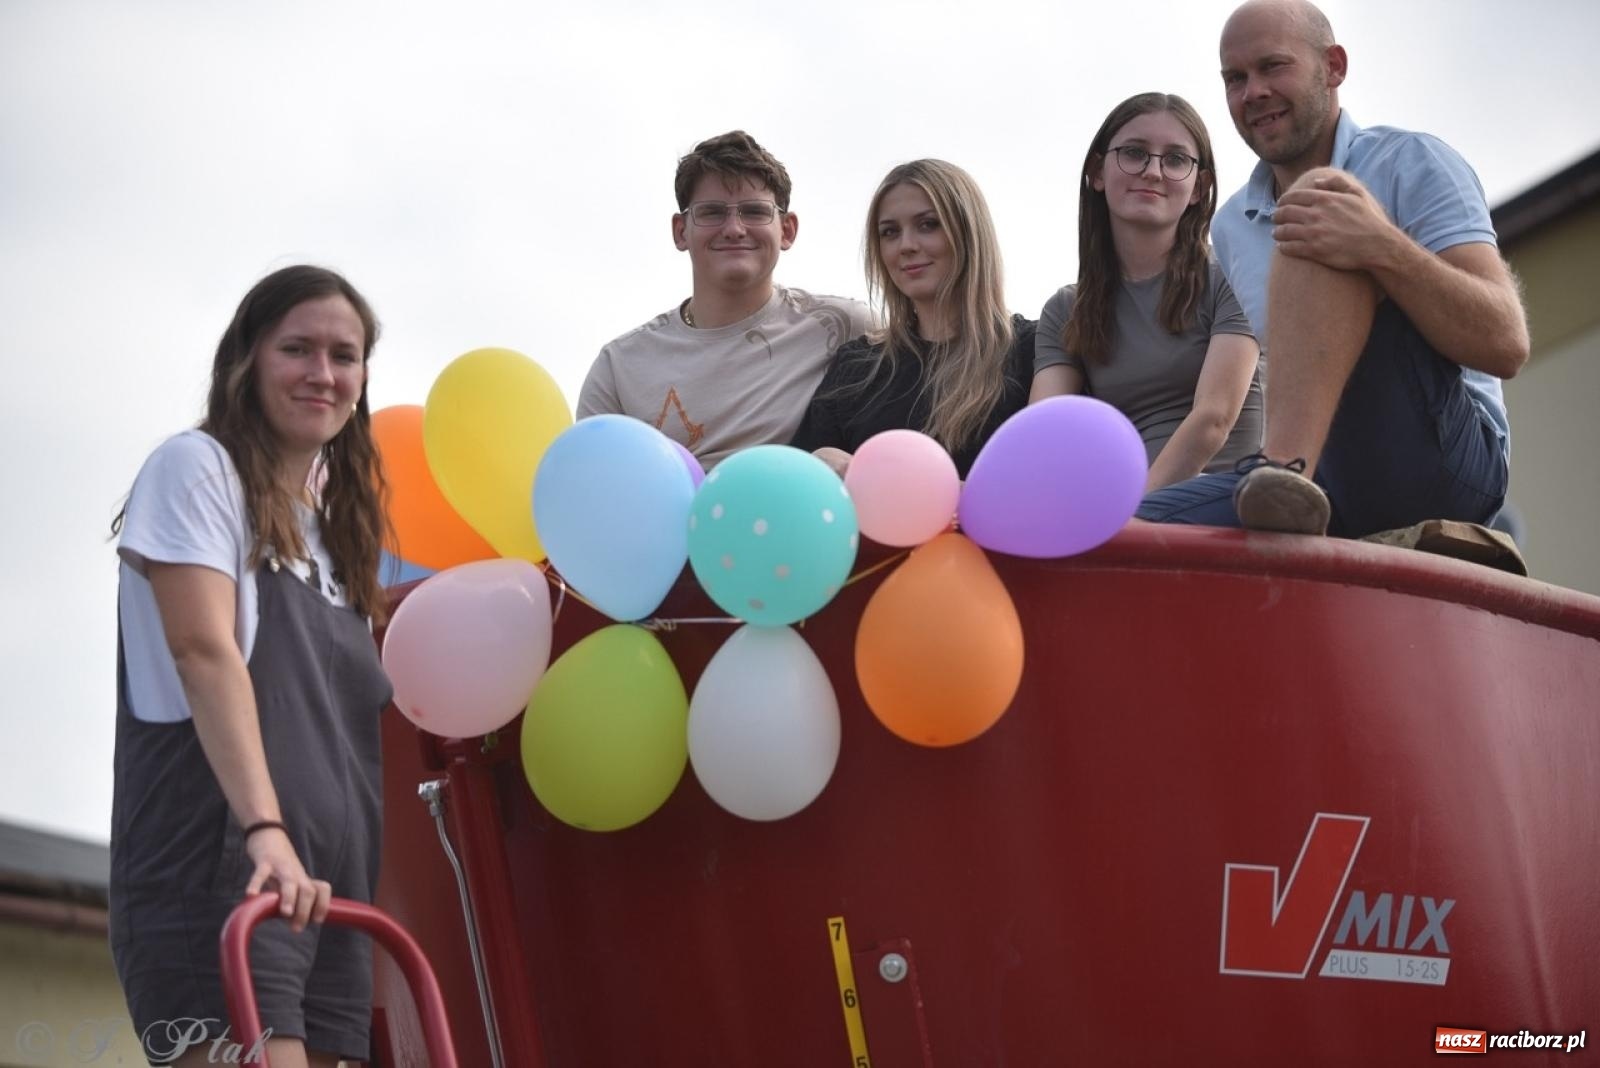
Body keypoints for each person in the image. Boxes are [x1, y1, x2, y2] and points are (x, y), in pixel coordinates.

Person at [110, 266, 394, 1067]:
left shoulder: (340, 538)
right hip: (228, 872)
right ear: (247, 361)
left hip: (331, 900)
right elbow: (203, 652)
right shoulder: (199, 471)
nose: (323, 373)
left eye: (345, 355)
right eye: (297, 349)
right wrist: (266, 831)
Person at [1138, 0, 1528, 536]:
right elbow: (1235, 397)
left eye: (1273, 67)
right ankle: (1279, 482)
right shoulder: (1230, 227)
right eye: (1235, 78)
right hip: (1326, 473)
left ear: (1334, 67)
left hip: (1448, 465)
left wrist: (1380, 246)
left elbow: (1506, 343)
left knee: (1319, 200)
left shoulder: (1411, 161)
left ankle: (1281, 475)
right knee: (1141, 528)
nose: (1253, 92)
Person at [577, 130, 872, 468]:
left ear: (787, 230)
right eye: (712, 212)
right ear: (680, 231)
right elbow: (592, 490)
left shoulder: (844, 327)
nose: (734, 228)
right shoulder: (620, 366)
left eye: (755, 211)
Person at [1032, 92, 1262, 492]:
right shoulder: (1066, 310)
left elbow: (1215, 419)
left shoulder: (1232, 275)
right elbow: (1043, 436)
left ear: (1198, 188)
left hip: (1227, 498)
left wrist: (1133, 517)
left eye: (1175, 159)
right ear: (1097, 172)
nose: (1153, 171)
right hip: (1120, 510)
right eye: (1135, 153)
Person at [791, 159, 1035, 478]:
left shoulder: (1032, 351)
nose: (906, 246)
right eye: (890, 232)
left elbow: (1047, 486)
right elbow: (798, 491)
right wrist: (821, 463)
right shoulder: (856, 366)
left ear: (969, 232)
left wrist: (885, 479)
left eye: (928, 224)